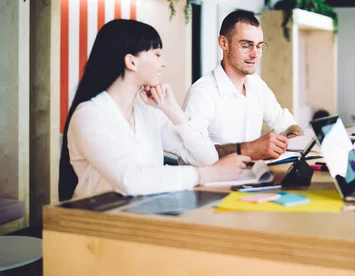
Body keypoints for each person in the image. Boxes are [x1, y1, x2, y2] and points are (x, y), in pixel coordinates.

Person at [58, 19, 250, 201]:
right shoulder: (90, 115)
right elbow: (129, 180)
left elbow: (207, 157)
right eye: (157, 54)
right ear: (131, 62)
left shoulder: (146, 111)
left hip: (145, 216)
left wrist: (173, 110)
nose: (163, 63)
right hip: (98, 225)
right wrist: (208, 174)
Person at [183, 10, 303, 161]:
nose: (255, 54)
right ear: (223, 43)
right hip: (215, 183)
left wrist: (293, 139)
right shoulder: (202, 93)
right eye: (246, 45)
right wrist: (248, 149)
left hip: (252, 179)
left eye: (259, 46)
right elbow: (191, 154)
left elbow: (287, 125)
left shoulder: (257, 85)